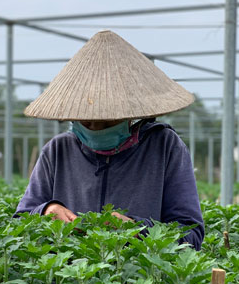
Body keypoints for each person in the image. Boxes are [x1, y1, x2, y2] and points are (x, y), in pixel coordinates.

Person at [16, 30, 204, 250]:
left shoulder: (164, 147)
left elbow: (191, 235)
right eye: (86, 121)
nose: (95, 128)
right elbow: (20, 222)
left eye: (107, 122)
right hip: (72, 279)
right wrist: (46, 211)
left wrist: (139, 231)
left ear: (131, 115)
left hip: (139, 280)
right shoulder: (57, 151)